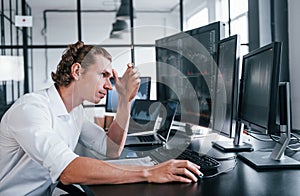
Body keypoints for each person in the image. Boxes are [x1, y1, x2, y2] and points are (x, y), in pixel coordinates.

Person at [0, 41, 201, 195]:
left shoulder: (75, 111)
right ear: (77, 71)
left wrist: (124, 100)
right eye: (103, 75)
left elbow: (111, 149)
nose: (108, 85)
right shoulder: (31, 109)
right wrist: (149, 172)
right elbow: (69, 171)